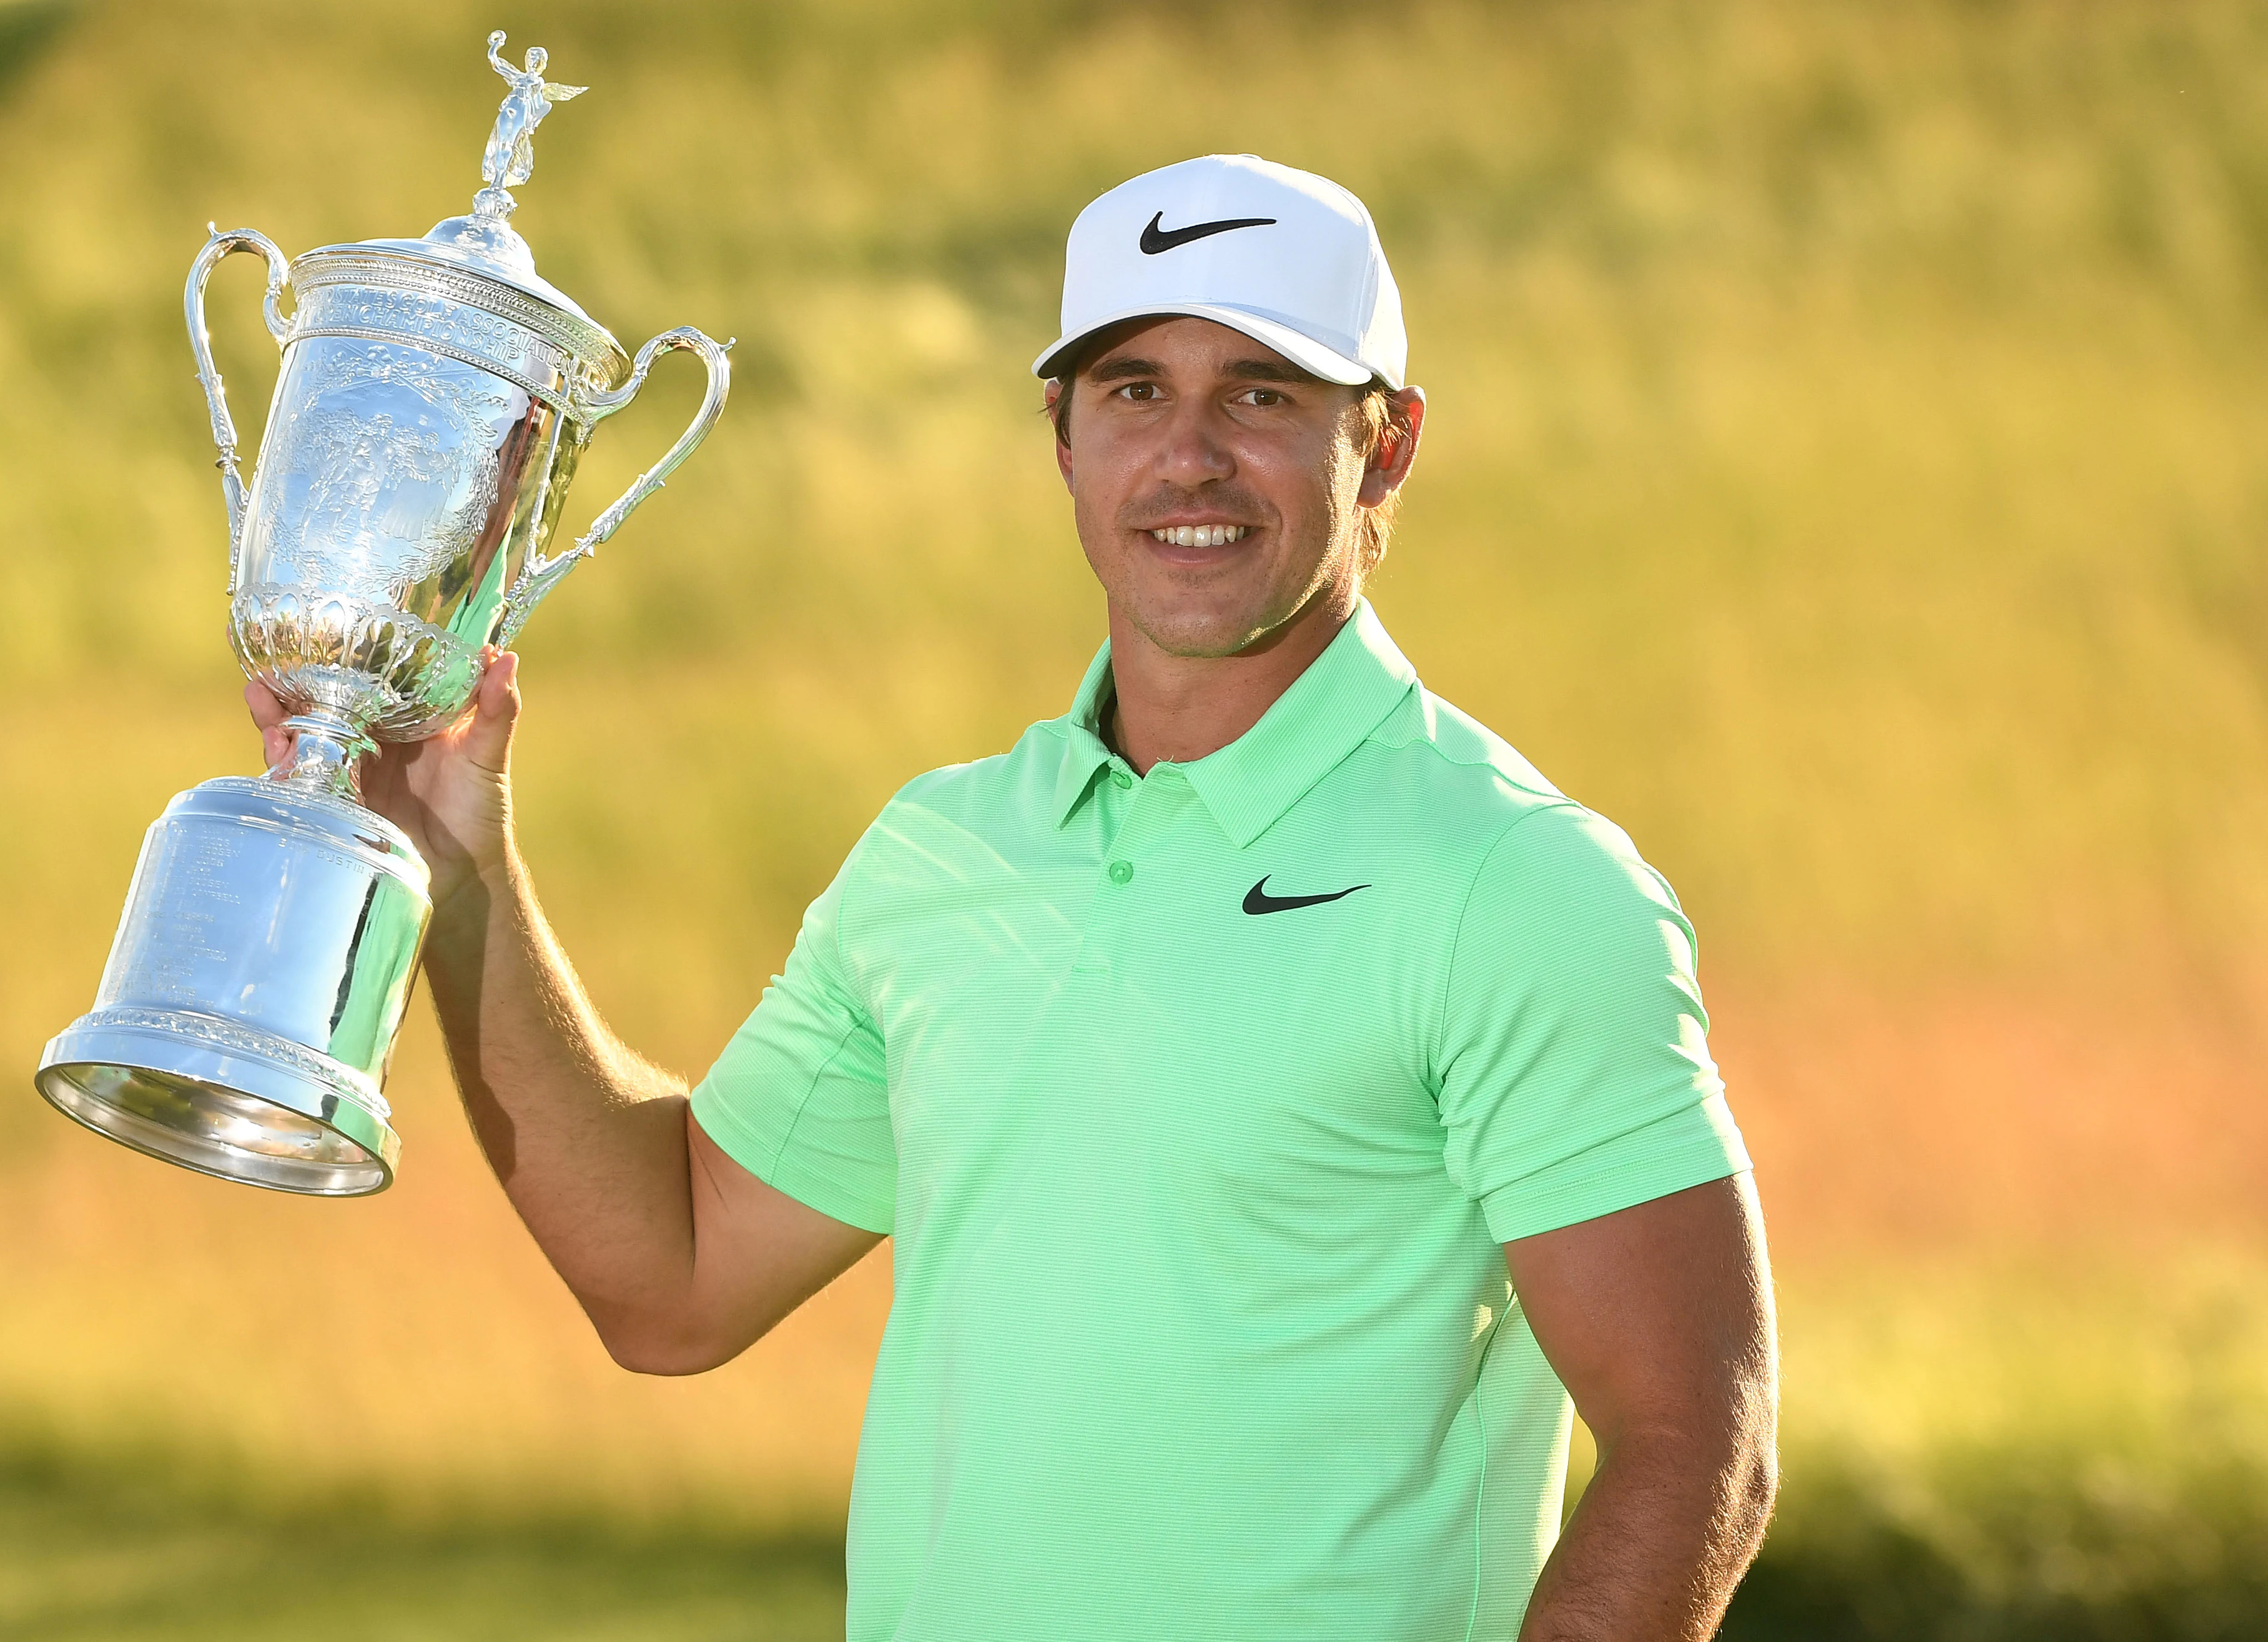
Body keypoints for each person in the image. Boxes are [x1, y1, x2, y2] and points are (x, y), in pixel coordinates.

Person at [249, 154, 1779, 1642]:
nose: (1190, 454)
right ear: (1061, 438)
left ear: (1383, 448)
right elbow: (674, 1279)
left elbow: (1695, 1440)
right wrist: (457, 860)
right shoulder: (943, 852)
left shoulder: (1516, 881)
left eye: (1262, 392)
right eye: (1133, 391)